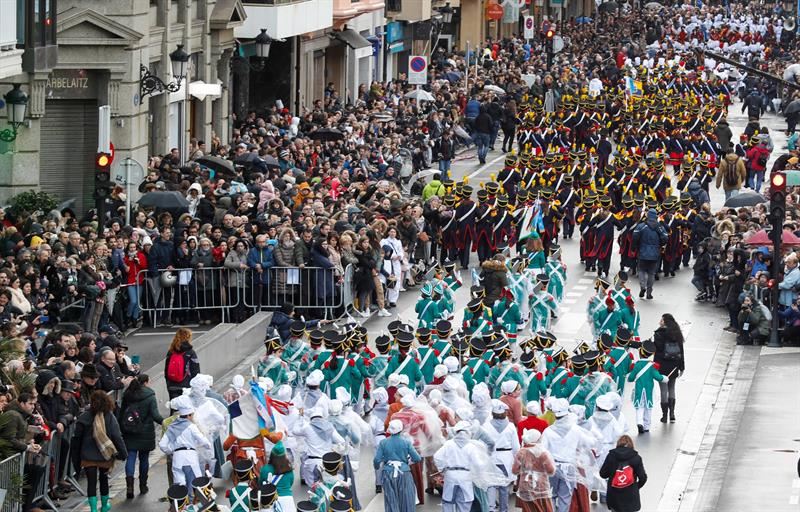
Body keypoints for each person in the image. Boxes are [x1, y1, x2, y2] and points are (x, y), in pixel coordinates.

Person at [71, 390, 128, 512]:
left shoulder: (84, 417)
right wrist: (123, 453)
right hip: (105, 456)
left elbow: (76, 440)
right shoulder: (110, 417)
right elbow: (117, 436)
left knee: (91, 483)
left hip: (87, 456)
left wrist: (76, 459)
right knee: (104, 480)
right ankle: (104, 506)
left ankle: (93, 509)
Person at [118, 373, 164, 499]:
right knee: (144, 459)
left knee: (131, 457)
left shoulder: (128, 394)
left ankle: (129, 487)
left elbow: (122, 413)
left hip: (130, 430)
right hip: (145, 432)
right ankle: (143, 485)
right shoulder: (150, 396)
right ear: (147, 382)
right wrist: (166, 422)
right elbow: (155, 415)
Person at [158, 394, 213, 495]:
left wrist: (172, 450)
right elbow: (202, 440)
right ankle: (192, 503)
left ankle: (181, 504)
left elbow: (162, 444)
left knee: (180, 489)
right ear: (188, 415)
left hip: (177, 459)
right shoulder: (191, 426)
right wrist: (208, 445)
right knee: (194, 487)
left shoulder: (172, 427)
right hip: (190, 458)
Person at [373, 419, 421, 512]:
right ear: (401, 429)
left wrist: (377, 467)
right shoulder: (406, 442)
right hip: (404, 472)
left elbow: (377, 460)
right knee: (406, 500)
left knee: (391, 501)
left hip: (388, 472)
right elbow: (417, 458)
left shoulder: (383, 442)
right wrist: (408, 462)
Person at [599, 435, 647, 512]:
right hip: (630, 496)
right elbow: (643, 477)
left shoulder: (611, 456)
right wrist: (635, 487)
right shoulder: (636, 457)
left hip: (614, 496)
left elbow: (603, 474)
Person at [511, 428, 556, 512]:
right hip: (541, 485)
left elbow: (514, 471)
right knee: (543, 508)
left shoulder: (521, 452)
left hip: (525, 485)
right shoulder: (543, 453)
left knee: (528, 509)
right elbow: (551, 471)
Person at [652, 314, 685, 424]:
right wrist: (682, 366)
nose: (659, 321)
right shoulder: (677, 333)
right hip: (674, 365)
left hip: (661, 365)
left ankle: (664, 415)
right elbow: (681, 351)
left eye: (661, 320)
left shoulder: (659, 334)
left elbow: (656, 348)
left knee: (663, 390)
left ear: (665, 321)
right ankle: (672, 413)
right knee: (672, 388)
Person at [632, 209, 667, 300]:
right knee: (651, 273)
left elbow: (634, 237)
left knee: (641, 270)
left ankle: (642, 286)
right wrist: (660, 245)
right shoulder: (659, 227)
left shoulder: (641, 226)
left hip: (642, 252)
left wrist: (634, 248)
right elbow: (665, 238)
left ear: (647, 216)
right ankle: (649, 293)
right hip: (655, 254)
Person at [164, 327, 200, 402]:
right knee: (186, 407)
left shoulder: (171, 351)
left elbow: (166, 370)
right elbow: (195, 371)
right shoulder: (190, 352)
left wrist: (168, 384)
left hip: (172, 386)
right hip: (186, 387)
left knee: (174, 406)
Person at [259, 441, 295, 512]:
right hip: (287, 500)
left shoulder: (265, 469)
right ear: (284, 456)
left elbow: (260, 484)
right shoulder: (289, 469)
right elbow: (291, 483)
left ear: (272, 456)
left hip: (269, 500)